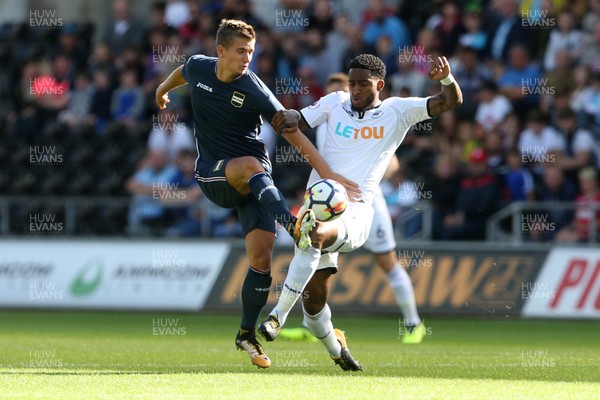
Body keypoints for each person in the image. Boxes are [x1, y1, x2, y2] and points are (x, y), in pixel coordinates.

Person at [155, 19, 357, 369]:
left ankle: (246, 333)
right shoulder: (199, 67)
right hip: (214, 174)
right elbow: (182, 73)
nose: (248, 57)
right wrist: (161, 90)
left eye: (251, 51)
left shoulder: (255, 89)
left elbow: (292, 132)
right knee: (250, 164)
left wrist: (329, 175)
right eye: (240, 51)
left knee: (261, 261)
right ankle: (293, 226)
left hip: (256, 181)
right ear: (221, 51)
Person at [259, 54, 462, 370]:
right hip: (321, 205)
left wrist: (446, 79)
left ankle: (276, 317)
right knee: (314, 310)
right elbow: (295, 120)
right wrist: (280, 115)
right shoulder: (334, 103)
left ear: (379, 84)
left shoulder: (397, 111)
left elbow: (449, 101)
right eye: (351, 82)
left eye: (362, 84)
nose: (354, 89)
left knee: (313, 233)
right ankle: (338, 349)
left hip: (356, 213)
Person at [283, 73, 427, 344]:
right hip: (331, 206)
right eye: (336, 91)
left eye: (347, 89)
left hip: (366, 203)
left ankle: (413, 323)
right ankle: (310, 324)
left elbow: (393, 163)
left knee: (387, 262)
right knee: (318, 258)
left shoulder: (374, 120)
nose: (349, 96)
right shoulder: (326, 123)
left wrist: (363, 181)